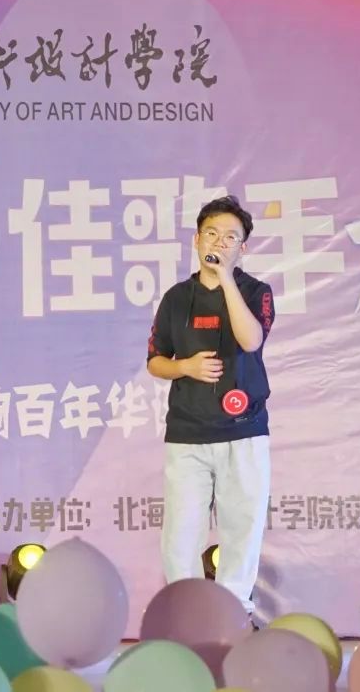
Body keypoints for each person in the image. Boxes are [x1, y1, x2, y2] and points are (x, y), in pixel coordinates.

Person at [146, 195, 276, 624]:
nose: (218, 242)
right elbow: (155, 361)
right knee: (181, 533)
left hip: (244, 430)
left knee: (242, 528)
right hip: (188, 434)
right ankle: (185, 617)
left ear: (243, 247)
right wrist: (185, 367)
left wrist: (226, 281)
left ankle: (235, 617)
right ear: (196, 239)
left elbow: (250, 340)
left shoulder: (255, 292)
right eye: (211, 233)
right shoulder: (176, 298)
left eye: (230, 237)